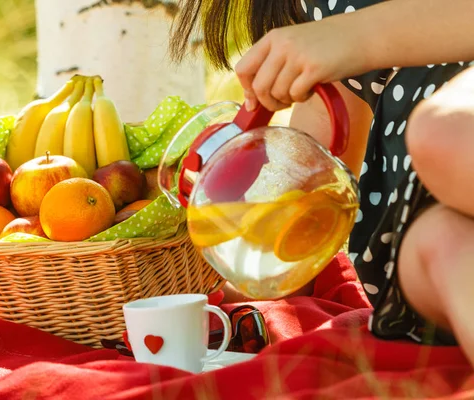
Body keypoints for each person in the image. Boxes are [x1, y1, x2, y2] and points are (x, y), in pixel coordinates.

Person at [169, 0, 474, 363]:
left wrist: (356, 36)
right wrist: (260, 272)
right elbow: (326, 129)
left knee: (441, 133)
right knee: (438, 242)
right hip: (417, 212)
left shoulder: (348, 36)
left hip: (454, 130)